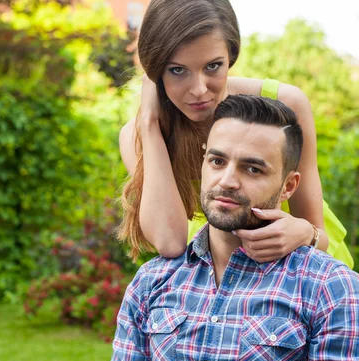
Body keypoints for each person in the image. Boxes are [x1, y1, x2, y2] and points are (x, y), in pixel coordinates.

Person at [101, 95, 359, 361]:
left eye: (252, 169)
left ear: (288, 186)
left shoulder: (330, 288)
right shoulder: (152, 282)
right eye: (217, 161)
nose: (227, 181)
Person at [117, 0, 353, 268]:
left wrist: (304, 233)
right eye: (177, 70)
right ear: (155, 70)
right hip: (228, 283)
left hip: (308, 272)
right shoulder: (142, 136)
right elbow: (170, 242)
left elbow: (320, 236)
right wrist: (149, 122)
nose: (199, 90)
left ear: (231, 55)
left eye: (213, 66)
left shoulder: (284, 105)